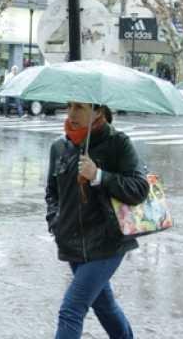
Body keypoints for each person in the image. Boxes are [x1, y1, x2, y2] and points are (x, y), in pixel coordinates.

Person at [45, 102, 148, 339]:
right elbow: (52, 193)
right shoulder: (60, 147)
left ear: (99, 112)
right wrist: (56, 221)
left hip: (108, 242)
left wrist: (99, 175)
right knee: (104, 306)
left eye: (79, 107)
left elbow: (139, 188)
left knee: (71, 309)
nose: (71, 114)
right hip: (71, 241)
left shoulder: (117, 144)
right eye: (69, 106)